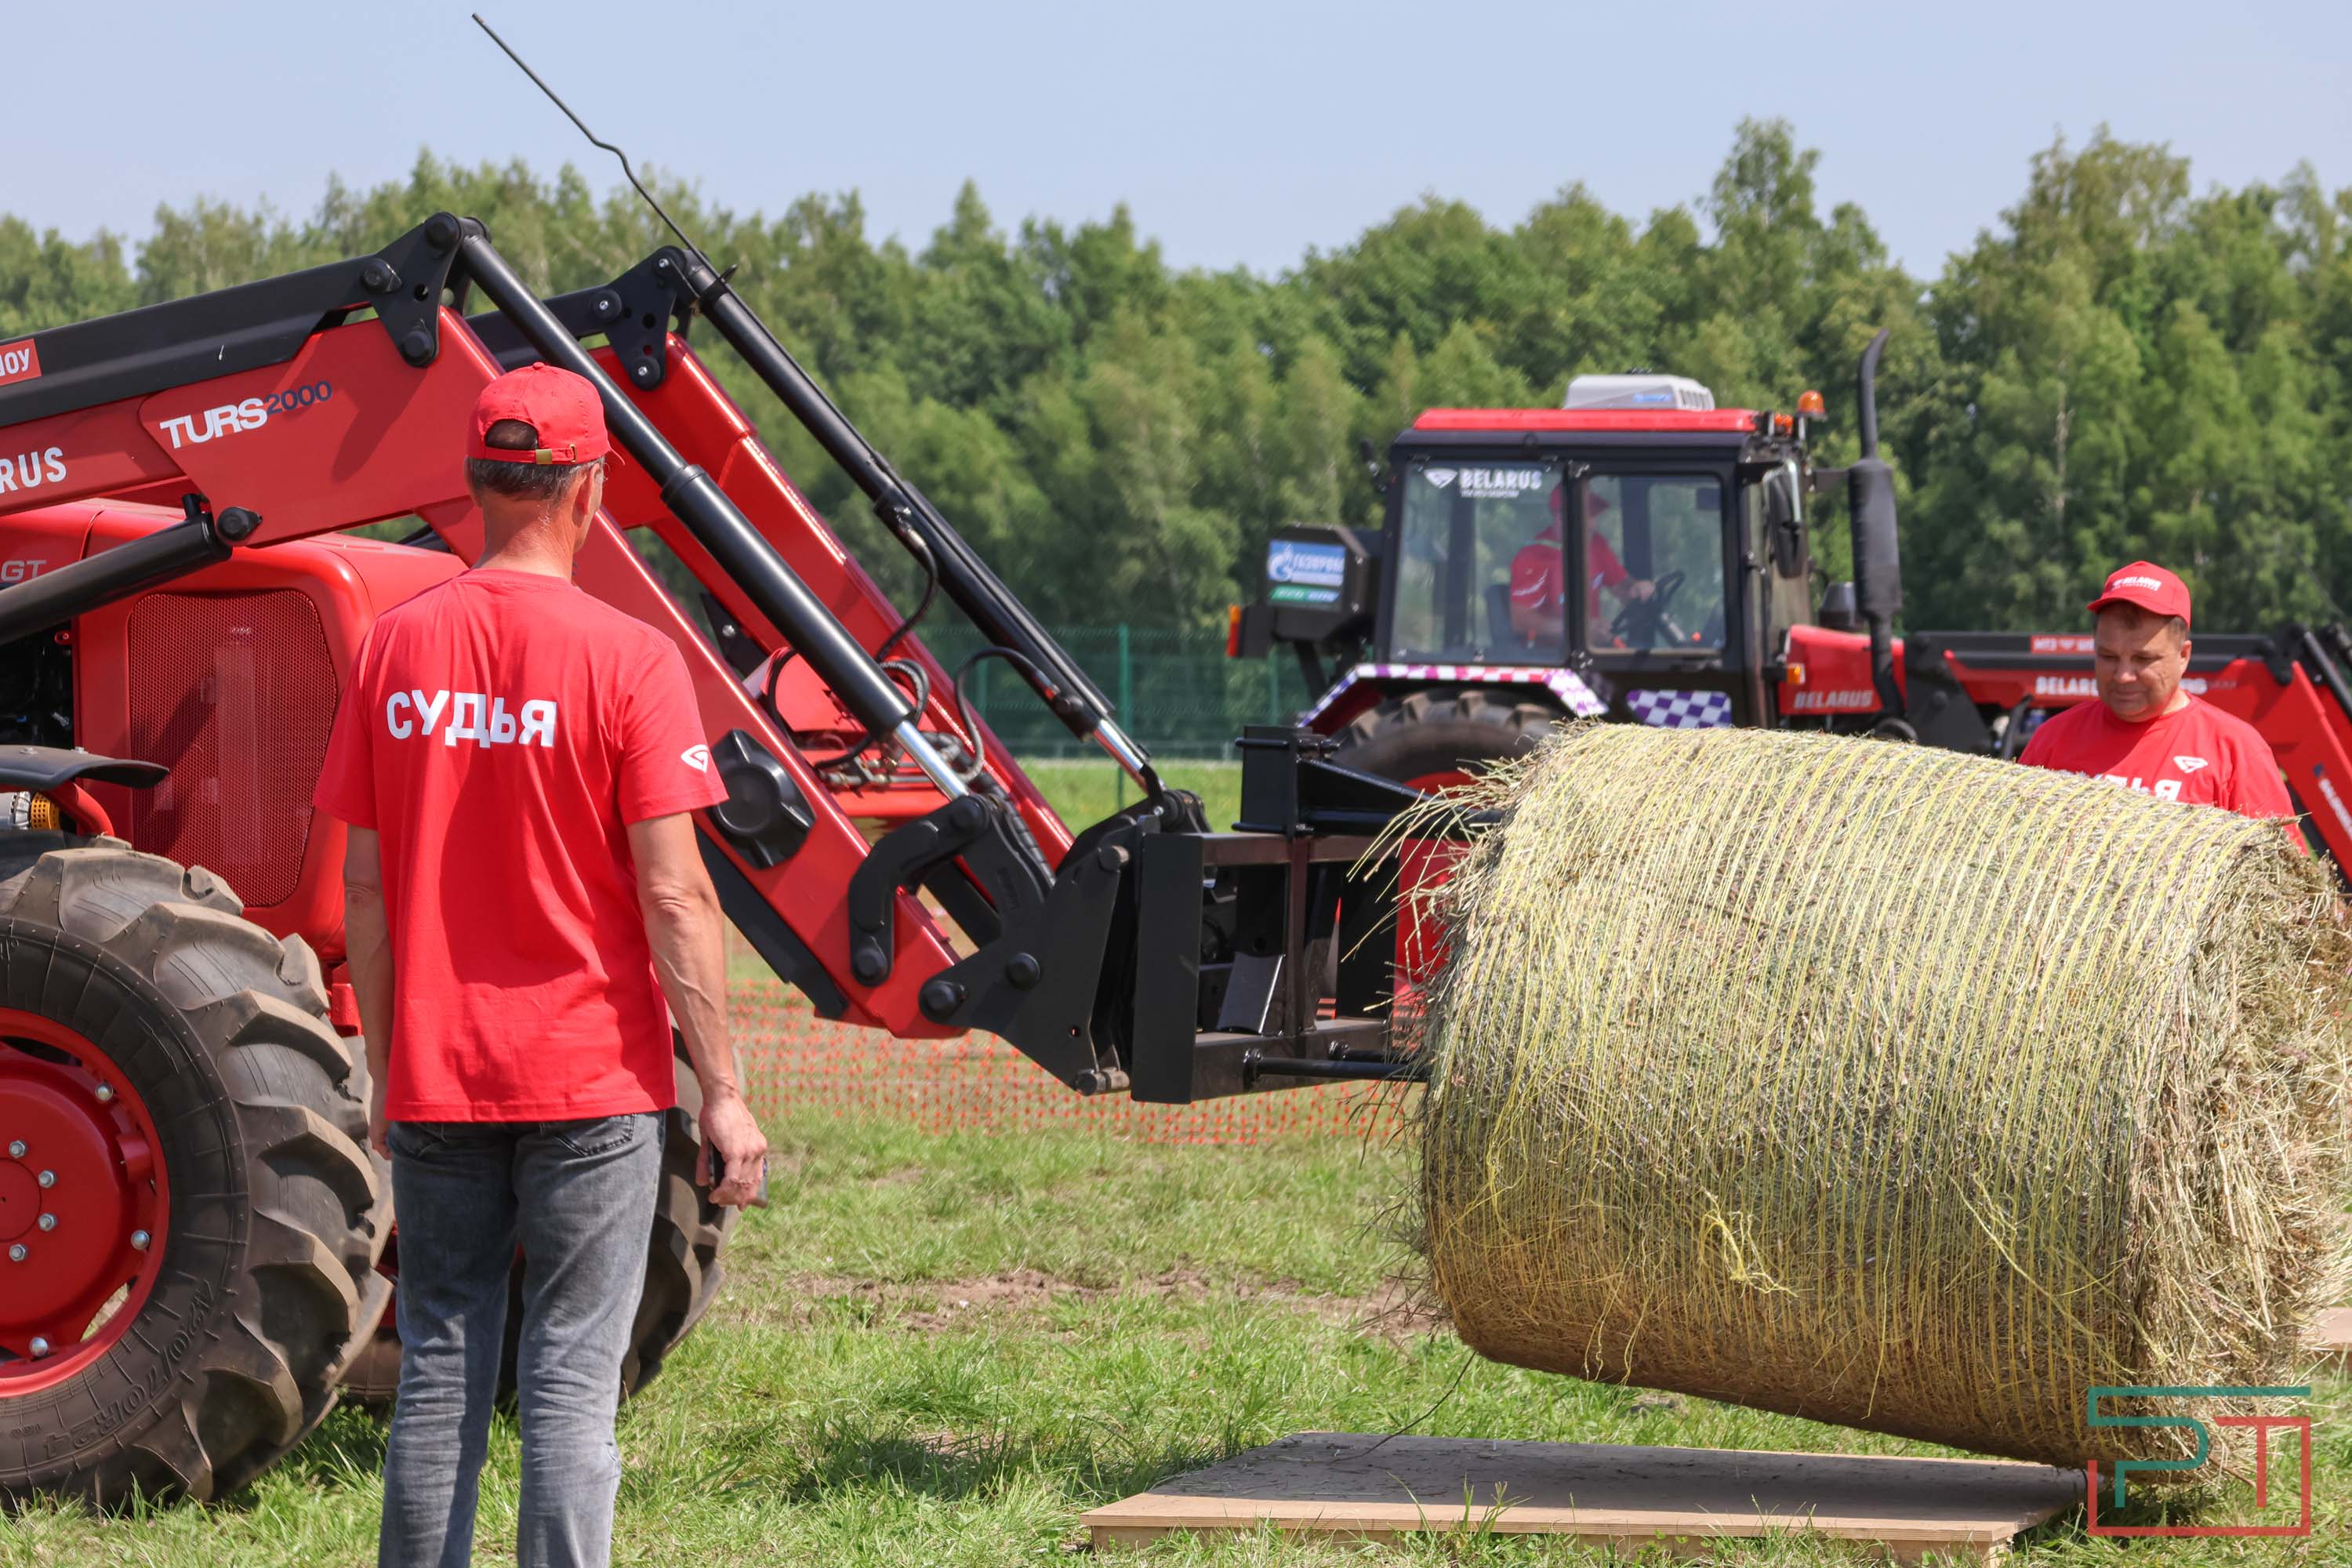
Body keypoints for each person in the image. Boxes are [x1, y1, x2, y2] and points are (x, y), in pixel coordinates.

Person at [314, 363, 771, 1568]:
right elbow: (675, 893)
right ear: (589, 489)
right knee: (570, 1375)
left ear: (476, 484)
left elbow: (365, 888)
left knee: (441, 1364)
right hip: (590, 1081)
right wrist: (724, 1093)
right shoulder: (632, 659)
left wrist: (390, 1065)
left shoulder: (394, 650)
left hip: (440, 1075)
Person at [2017, 560, 2295, 820]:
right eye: (2108, 657)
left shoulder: (2236, 752)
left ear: (2183, 656)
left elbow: (2277, 856)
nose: (2123, 676)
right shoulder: (2051, 742)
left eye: (2143, 659)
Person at [1508, 483, 1653, 644]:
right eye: (1587, 515)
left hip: (1591, 648)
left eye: (1593, 515)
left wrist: (1637, 588)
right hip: (1552, 655)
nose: (1593, 524)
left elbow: (1621, 587)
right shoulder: (1533, 556)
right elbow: (1521, 621)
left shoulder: (1595, 544)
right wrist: (1579, 629)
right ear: (1561, 517)